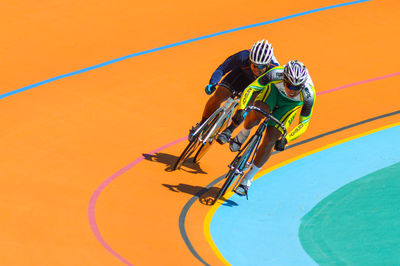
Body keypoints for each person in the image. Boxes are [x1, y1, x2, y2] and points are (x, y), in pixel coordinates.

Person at [231, 60, 316, 196]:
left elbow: (304, 123)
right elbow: (251, 88)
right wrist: (241, 108)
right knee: (257, 114)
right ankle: (243, 134)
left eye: (297, 87)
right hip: (274, 92)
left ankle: (248, 179)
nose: (292, 90)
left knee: (271, 139)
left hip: (290, 106)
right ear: (284, 79)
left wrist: (286, 139)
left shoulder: (309, 94)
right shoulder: (275, 74)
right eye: (289, 85)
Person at [188, 40, 279, 141]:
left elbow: (276, 92)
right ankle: (201, 124)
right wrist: (212, 83)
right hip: (241, 77)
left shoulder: (275, 70)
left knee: (247, 105)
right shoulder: (242, 57)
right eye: (254, 65)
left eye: (261, 66)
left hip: (258, 87)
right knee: (219, 95)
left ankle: (229, 130)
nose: (257, 69)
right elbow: (223, 68)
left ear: (269, 63)